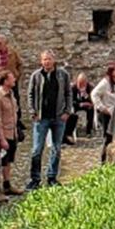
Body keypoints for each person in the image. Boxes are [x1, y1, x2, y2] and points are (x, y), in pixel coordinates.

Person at [25, 50, 72, 190]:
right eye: (44, 59)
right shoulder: (36, 76)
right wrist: (32, 111)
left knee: (56, 149)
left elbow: (68, 93)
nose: (47, 62)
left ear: (54, 60)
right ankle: (35, 178)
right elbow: (30, 94)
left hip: (58, 117)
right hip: (41, 118)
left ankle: (52, 177)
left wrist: (67, 111)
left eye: (49, 59)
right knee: (37, 149)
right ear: (41, 61)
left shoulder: (63, 75)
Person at [0, 71, 23, 196]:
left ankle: (7, 185)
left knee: (7, 161)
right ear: (5, 81)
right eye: (12, 78)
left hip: (12, 133)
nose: (14, 80)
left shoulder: (11, 94)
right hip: (3, 135)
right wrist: (2, 139)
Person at [0, 33, 24, 131]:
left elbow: (19, 64)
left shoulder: (12, 53)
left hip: (11, 80)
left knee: (15, 99)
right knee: (0, 100)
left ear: (5, 43)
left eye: (0, 43)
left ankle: (17, 121)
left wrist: (17, 75)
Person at [91, 63, 115, 136]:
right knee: (108, 135)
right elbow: (94, 94)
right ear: (112, 72)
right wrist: (102, 108)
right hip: (108, 112)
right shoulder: (105, 83)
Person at [66, 72, 95, 143]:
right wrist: (80, 104)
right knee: (72, 113)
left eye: (83, 83)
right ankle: (72, 131)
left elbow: (93, 99)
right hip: (76, 105)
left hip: (87, 105)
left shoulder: (90, 87)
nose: (81, 85)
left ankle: (89, 131)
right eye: (80, 83)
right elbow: (71, 100)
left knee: (91, 110)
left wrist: (86, 96)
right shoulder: (73, 87)